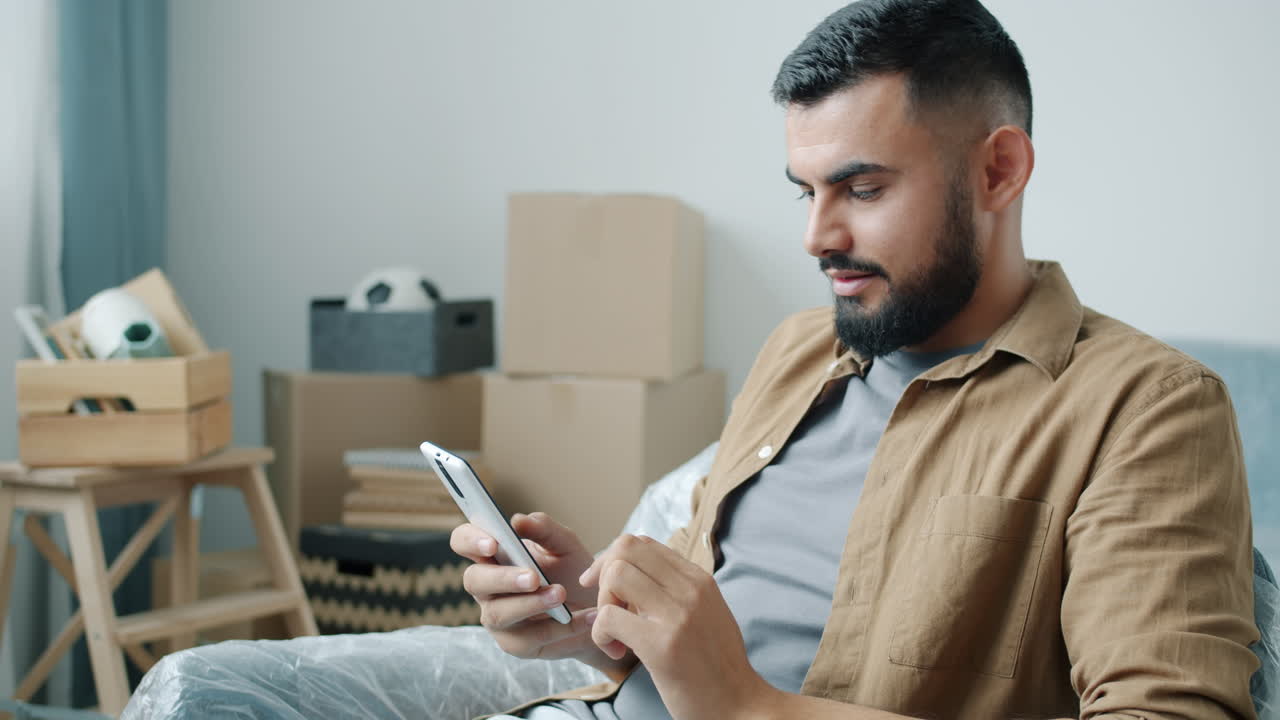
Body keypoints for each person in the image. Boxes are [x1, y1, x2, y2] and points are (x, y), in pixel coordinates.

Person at [452, 1, 1260, 718]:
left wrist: (749, 708)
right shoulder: (798, 349)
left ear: (999, 171)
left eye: (863, 190)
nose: (817, 238)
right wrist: (598, 621)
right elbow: (725, 637)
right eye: (807, 192)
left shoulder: (1149, 407)